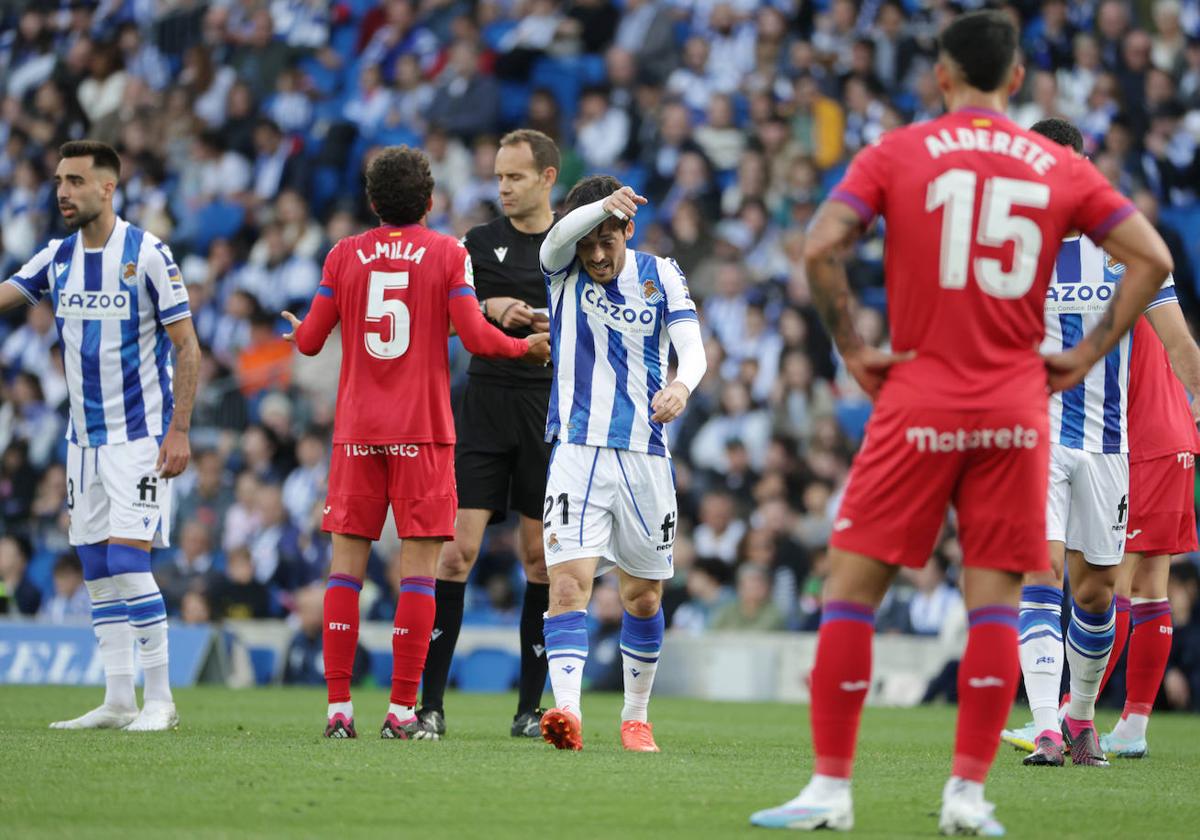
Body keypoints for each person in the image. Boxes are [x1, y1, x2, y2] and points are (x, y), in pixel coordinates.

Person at [748, 11, 1173, 835]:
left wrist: (854, 346)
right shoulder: (1056, 164)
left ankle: (831, 792)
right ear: (1016, 81)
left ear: (940, 76)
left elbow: (819, 245)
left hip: (921, 392)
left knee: (850, 589)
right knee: (995, 601)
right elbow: (1152, 257)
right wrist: (1085, 356)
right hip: (1017, 407)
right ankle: (967, 798)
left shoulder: (898, 150)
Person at [281, 145, 550, 740]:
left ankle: (338, 709)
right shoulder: (446, 253)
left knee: (345, 573)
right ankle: (403, 711)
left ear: (372, 202)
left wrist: (300, 330)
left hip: (356, 435)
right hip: (422, 434)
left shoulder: (343, 255)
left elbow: (309, 343)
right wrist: (522, 348)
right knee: (420, 574)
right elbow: (478, 337)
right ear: (429, 202)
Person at [999, 118, 1200, 768]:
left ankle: (1081, 719)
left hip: (1111, 446)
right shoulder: (1007, 249)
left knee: (1097, 591)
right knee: (1040, 574)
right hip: (1038, 440)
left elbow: (1178, 345)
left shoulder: (1127, 247)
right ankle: (1048, 726)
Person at [0, 140, 199, 732]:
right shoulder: (57, 257)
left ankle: (160, 699)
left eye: (76, 181)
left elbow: (188, 346)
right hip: (81, 442)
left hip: (138, 437)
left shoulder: (148, 253)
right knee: (94, 565)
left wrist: (179, 429)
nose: (63, 191)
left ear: (108, 188)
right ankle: (118, 699)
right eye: (60, 180)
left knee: (125, 558)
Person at [536, 176, 707, 753]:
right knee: (567, 585)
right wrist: (593, 213)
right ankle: (567, 714)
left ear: (628, 232)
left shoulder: (661, 273)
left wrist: (682, 385)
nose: (598, 254)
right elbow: (554, 241)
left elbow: (694, 346)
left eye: (608, 239)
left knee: (644, 597)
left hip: (646, 456)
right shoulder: (562, 269)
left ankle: (636, 717)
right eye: (590, 241)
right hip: (577, 452)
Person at [418, 129, 559, 740]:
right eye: (499, 176)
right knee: (455, 554)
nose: (503, 187)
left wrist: (548, 325)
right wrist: (493, 308)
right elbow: (450, 318)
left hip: (549, 410)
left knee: (540, 561)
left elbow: (596, 322)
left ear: (546, 179)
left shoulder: (570, 246)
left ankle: (529, 710)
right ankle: (430, 706)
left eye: (515, 177)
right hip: (484, 405)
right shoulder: (477, 243)